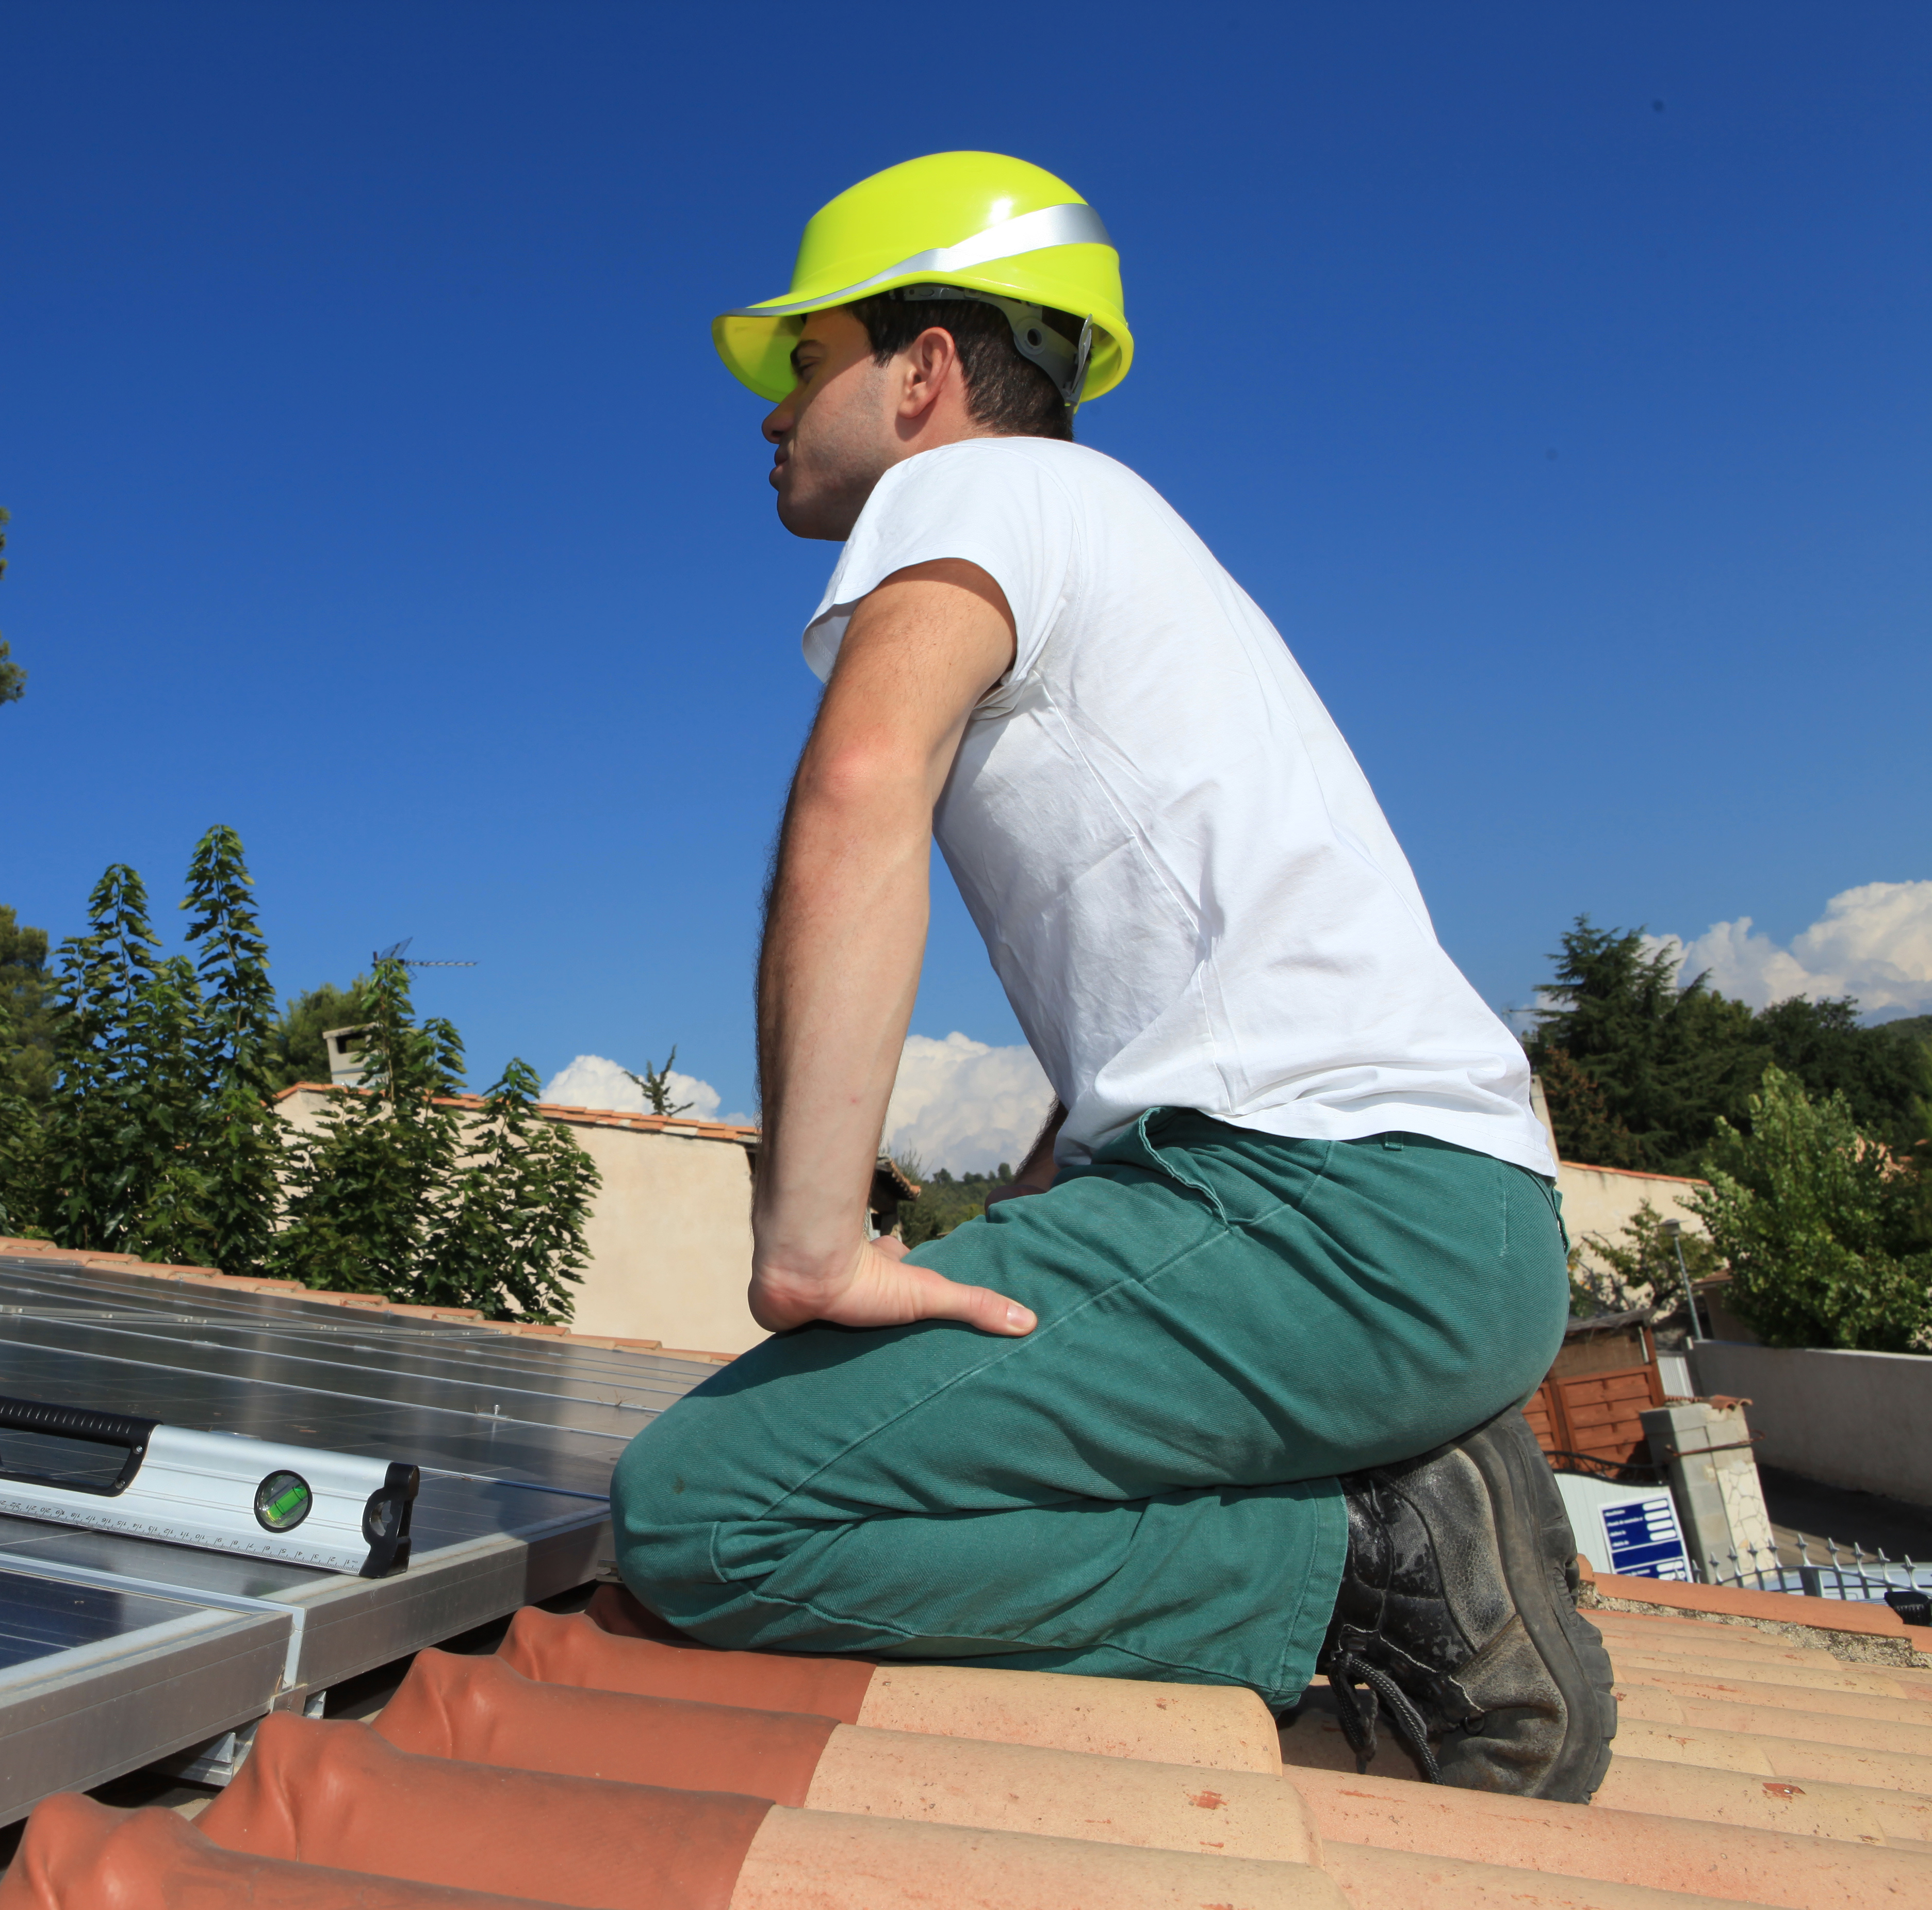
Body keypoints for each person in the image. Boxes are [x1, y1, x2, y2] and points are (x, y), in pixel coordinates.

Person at [608, 151, 1616, 1801]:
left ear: (926, 373)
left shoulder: (972, 490)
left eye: (807, 361)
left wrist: (807, 1242)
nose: (775, 414)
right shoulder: (1120, 538)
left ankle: (1373, 1588)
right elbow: (1164, 985)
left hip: (1332, 1216)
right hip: (1415, 1221)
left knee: (708, 1516)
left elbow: (857, 798)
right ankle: (1385, 1523)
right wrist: (1033, 1204)